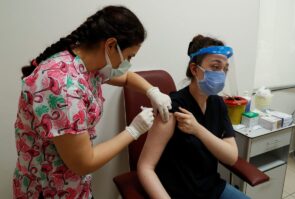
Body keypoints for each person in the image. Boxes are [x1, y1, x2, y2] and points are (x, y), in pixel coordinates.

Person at [13, 5, 172, 199]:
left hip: (74, 186)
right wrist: (134, 130)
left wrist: (152, 91)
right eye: (129, 56)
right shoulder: (62, 86)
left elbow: (127, 78)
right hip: (49, 190)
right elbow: (83, 163)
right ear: (111, 45)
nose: (128, 63)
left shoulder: (87, 65)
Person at [137, 35, 250, 199]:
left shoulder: (218, 104)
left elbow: (231, 157)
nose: (221, 74)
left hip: (211, 188)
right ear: (194, 69)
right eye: (215, 67)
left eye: (225, 69)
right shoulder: (173, 107)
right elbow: (145, 167)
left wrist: (198, 129)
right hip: (178, 193)